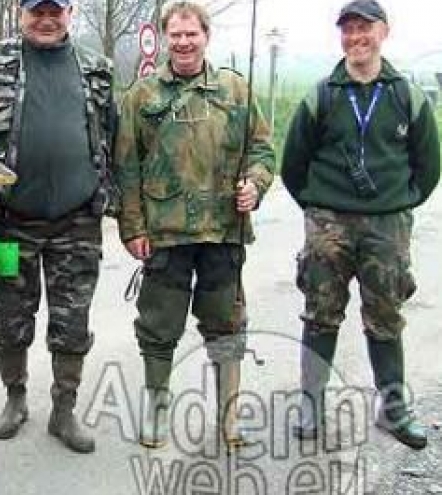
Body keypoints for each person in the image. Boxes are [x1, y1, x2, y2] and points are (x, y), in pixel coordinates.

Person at [114, 1, 275, 451]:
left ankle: (228, 415)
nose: (184, 42)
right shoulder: (141, 97)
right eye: (176, 34)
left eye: (192, 34)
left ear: (206, 36)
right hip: (164, 235)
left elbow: (262, 151)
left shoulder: (236, 91)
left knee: (226, 324)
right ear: (165, 37)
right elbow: (125, 167)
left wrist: (255, 185)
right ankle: (157, 408)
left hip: (223, 230)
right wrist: (132, 228)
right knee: (158, 327)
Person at [282, 0, 439, 450]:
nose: (356, 38)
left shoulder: (406, 95)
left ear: (383, 32)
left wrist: (398, 205)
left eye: (363, 28)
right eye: (348, 30)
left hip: (387, 229)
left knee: (386, 318)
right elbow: (293, 165)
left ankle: (393, 410)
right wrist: (319, 208)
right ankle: (311, 404)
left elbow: (428, 166)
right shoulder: (322, 94)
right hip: (327, 227)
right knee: (320, 316)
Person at [0, 0, 117, 454]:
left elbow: (115, 136)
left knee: (72, 325)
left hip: (77, 222)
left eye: (56, 9)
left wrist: (120, 207)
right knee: (9, 321)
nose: (46, 19)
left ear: (70, 11)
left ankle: (64, 409)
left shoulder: (97, 69)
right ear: (19, 11)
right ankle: (15, 398)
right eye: (37, 10)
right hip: (7, 224)